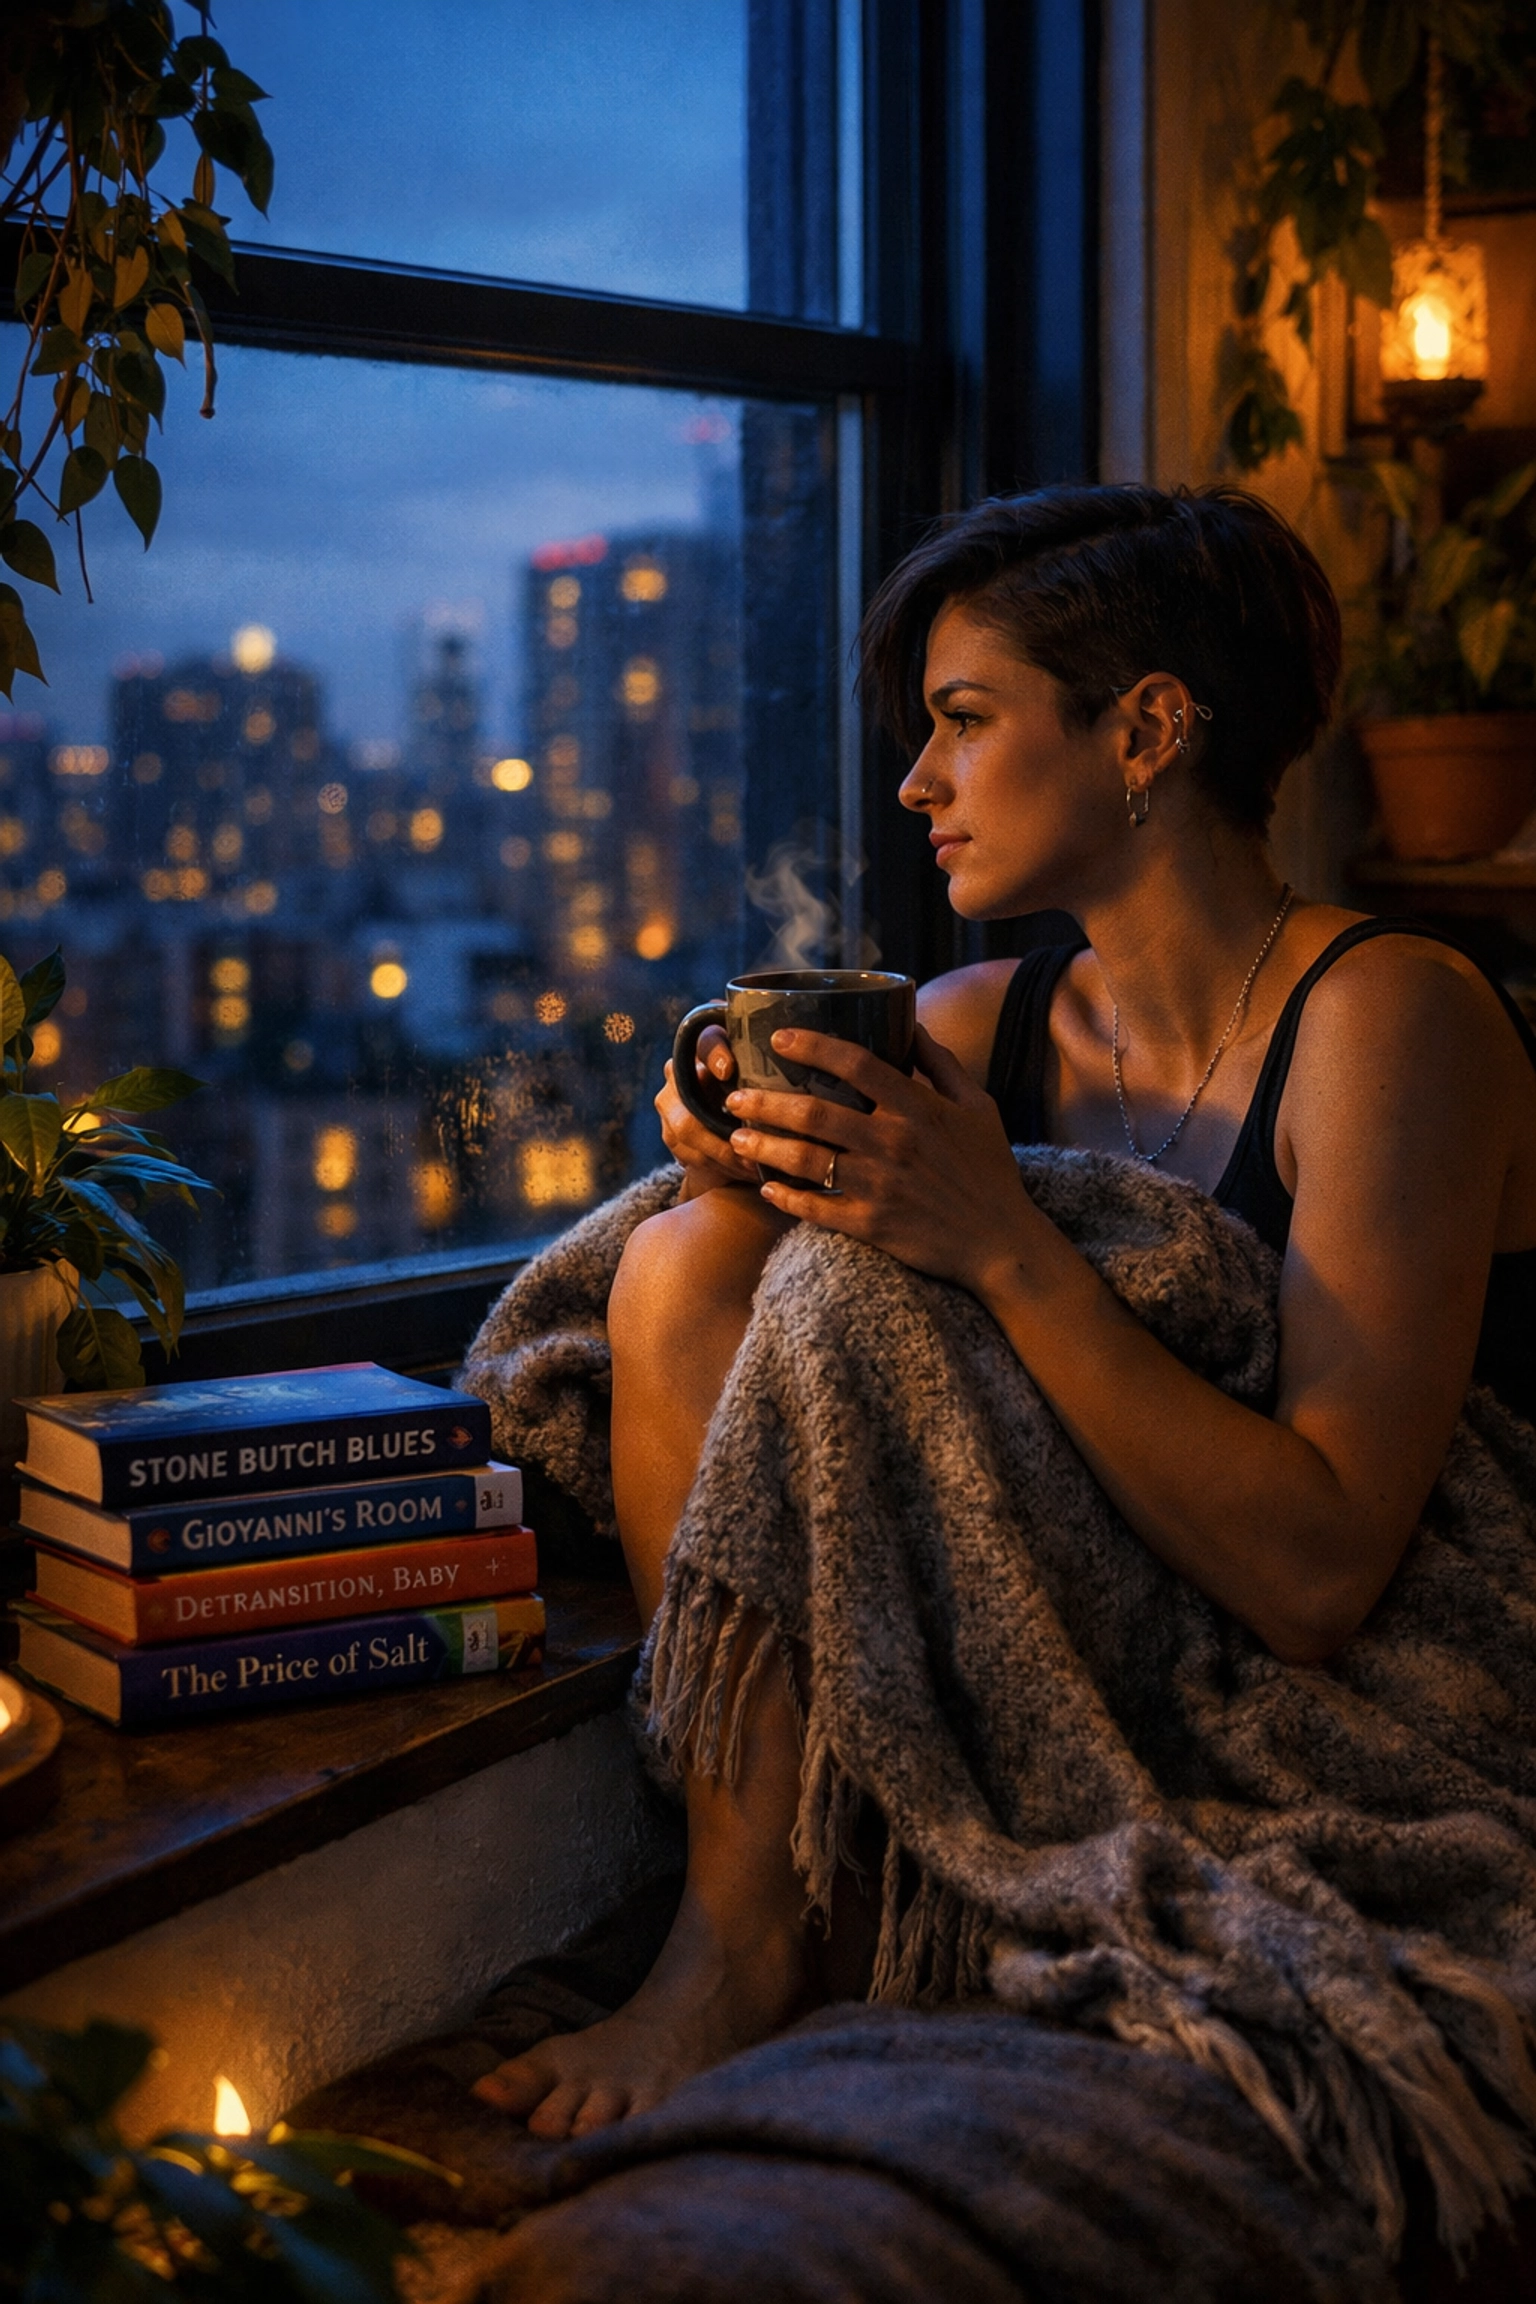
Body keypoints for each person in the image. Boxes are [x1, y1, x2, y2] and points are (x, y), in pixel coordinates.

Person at [473, 481, 1536, 2142]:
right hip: (1051, 1608)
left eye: (964, 721)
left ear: (1147, 732)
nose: (918, 783)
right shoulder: (972, 1025)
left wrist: (1009, 1247)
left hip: (1320, 1654)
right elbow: (767, 1352)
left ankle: (769, 1943)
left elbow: (1326, 1576)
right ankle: (753, 1921)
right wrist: (713, 1162)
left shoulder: (1394, 1018)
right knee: (691, 1257)